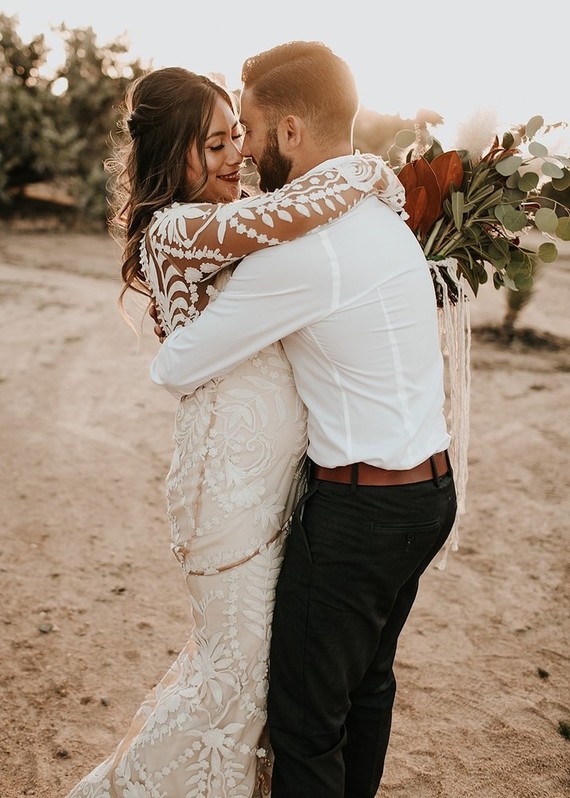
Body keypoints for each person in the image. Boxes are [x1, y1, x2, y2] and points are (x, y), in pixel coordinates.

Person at [65, 65, 398, 798]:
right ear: (169, 154)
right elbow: (289, 216)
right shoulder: (179, 227)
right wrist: (366, 169)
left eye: (236, 138)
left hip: (271, 483)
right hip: (226, 488)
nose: (235, 157)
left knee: (253, 682)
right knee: (231, 688)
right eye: (212, 144)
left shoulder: (224, 217)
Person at [151, 41, 458, 798]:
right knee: (367, 689)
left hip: (360, 512)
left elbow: (179, 365)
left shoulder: (303, 251)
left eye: (248, 131)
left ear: (289, 132)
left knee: (304, 723)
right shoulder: (382, 211)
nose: (244, 153)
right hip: (431, 495)